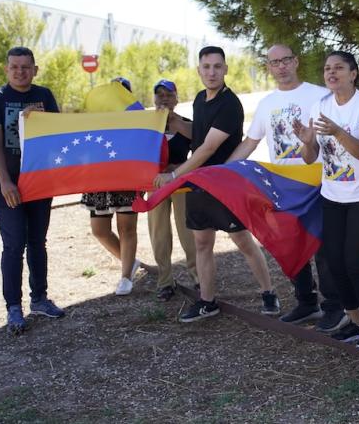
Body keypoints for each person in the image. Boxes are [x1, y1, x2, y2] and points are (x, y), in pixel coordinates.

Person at [226, 44, 346, 332]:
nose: (281, 66)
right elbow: (251, 142)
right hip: (284, 186)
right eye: (274, 62)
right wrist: (224, 169)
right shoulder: (267, 103)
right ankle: (306, 301)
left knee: (324, 247)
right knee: (292, 243)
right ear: (268, 67)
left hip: (319, 182)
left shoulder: (320, 95)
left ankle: (335, 307)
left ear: (296, 61)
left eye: (285, 60)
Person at [154, 46, 279, 322]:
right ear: (199, 70)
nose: (212, 72)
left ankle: (269, 292)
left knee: (243, 241)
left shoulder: (230, 104)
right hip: (201, 184)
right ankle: (207, 301)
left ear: (225, 69)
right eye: (206, 67)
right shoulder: (200, 99)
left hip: (224, 182)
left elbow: (207, 149)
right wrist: (174, 122)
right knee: (202, 243)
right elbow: (197, 135)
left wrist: (175, 177)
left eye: (217, 66)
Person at [293, 51, 359, 350]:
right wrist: (308, 143)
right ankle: (355, 322)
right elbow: (311, 159)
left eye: (339, 68)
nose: (331, 73)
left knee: (354, 263)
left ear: (354, 73)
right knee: (334, 262)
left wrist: (336, 131)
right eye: (327, 69)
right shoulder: (320, 106)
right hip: (332, 194)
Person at [0, 46, 65, 334]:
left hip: (40, 181)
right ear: (7, 69)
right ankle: (13, 307)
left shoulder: (44, 96)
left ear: (35, 69)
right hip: (10, 184)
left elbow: (58, 134)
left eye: (26, 67)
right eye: (15, 67)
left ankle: (39, 298)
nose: (20, 71)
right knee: (14, 244)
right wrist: (4, 180)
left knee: (37, 242)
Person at [81, 77, 144, 296]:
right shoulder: (94, 119)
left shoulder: (138, 120)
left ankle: (125, 276)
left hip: (127, 179)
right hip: (98, 181)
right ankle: (131, 262)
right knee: (100, 230)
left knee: (127, 228)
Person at [146, 79, 197, 301]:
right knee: (159, 234)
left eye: (169, 94)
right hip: (154, 184)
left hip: (181, 183)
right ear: (154, 99)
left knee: (188, 233)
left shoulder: (187, 124)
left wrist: (181, 169)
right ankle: (165, 281)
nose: (164, 98)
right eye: (160, 95)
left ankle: (198, 277)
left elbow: (202, 152)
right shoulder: (146, 126)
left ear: (176, 98)